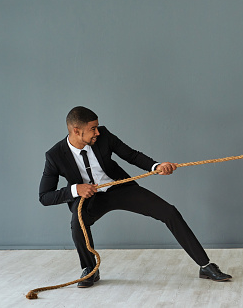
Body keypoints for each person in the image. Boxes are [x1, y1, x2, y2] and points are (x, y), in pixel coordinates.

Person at [39, 106, 231, 288]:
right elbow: (45, 196)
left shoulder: (104, 135)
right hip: (90, 199)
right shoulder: (55, 155)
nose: (98, 132)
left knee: (169, 212)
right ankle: (90, 270)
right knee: (77, 224)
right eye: (93, 129)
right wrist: (75, 190)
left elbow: (131, 155)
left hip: (119, 187)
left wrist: (156, 167)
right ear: (76, 130)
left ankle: (205, 266)